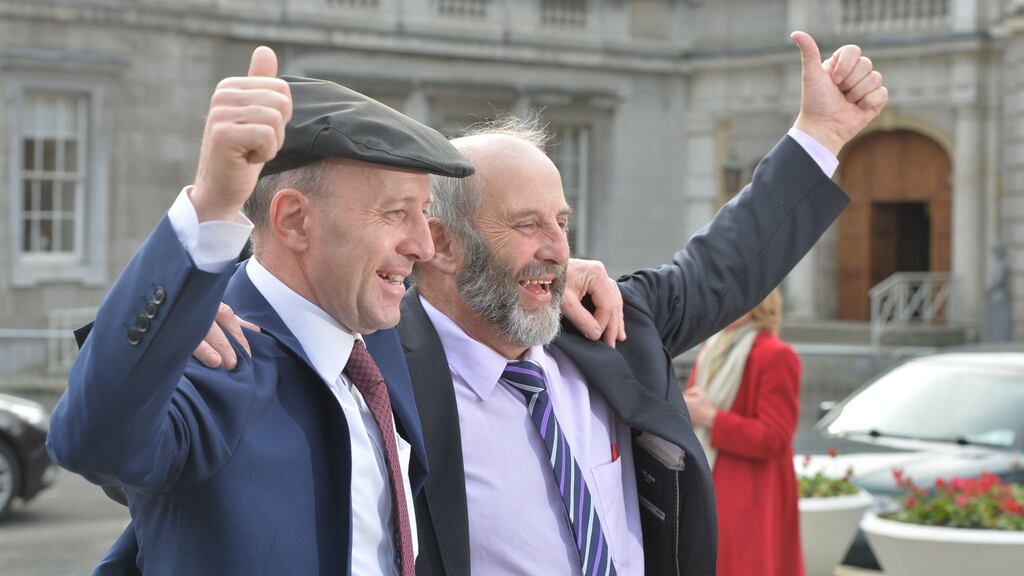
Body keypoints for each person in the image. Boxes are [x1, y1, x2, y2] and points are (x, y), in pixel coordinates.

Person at [90, 29, 888, 575]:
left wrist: (820, 134)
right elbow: (132, 416)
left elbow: (725, 264)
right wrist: (204, 300)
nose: (559, 248)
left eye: (564, 223)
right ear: (440, 243)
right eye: (527, 225)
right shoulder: (369, 361)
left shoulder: (601, 323)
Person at [47, 47, 476, 576]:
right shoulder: (207, 357)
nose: (422, 246)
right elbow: (90, 444)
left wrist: (565, 274)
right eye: (395, 213)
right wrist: (210, 205)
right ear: (294, 221)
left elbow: (497, 307)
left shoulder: (375, 331)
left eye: (424, 213)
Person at [684, 288, 804, 576]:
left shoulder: (776, 355)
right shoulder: (711, 349)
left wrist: (712, 418)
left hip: (752, 495)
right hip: (709, 479)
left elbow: (774, 438)